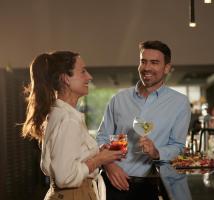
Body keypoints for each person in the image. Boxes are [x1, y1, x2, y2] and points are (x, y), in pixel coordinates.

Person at [96, 40, 191, 200]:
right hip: (113, 181)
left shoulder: (179, 103)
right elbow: (102, 137)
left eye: (154, 62)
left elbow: (178, 146)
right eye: (143, 61)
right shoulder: (119, 99)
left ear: (167, 68)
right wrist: (109, 165)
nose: (147, 68)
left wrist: (156, 152)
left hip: (151, 185)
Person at [21, 51, 123, 200]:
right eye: (82, 71)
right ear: (65, 79)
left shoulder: (59, 114)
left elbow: (65, 162)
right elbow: (65, 177)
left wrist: (96, 153)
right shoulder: (68, 120)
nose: (89, 76)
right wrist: (100, 159)